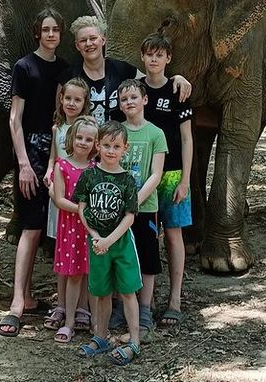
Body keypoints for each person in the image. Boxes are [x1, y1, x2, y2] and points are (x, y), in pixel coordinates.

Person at [0, 9, 69, 337]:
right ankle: (16, 303)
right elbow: (14, 119)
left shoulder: (66, 69)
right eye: (46, 29)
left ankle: (45, 300)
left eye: (56, 30)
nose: (51, 34)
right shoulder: (24, 67)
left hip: (59, 152)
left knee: (55, 228)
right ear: (37, 33)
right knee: (31, 227)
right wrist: (24, 164)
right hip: (31, 152)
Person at [74, 120, 142, 366]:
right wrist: (95, 236)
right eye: (106, 145)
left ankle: (134, 340)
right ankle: (100, 336)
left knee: (127, 291)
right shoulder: (89, 176)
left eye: (116, 146)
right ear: (98, 146)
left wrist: (109, 240)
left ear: (125, 148)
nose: (111, 151)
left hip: (121, 244)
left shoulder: (127, 180)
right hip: (96, 243)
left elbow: (130, 216)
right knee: (101, 292)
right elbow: (82, 208)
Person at [139, 33, 193, 327]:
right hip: (142, 178)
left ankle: (174, 300)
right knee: (144, 237)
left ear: (168, 59)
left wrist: (185, 179)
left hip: (171, 176)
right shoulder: (136, 90)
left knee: (173, 234)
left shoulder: (178, 91)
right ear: (143, 57)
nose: (154, 59)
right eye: (150, 54)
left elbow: (186, 138)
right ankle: (142, 301)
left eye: (160, 55)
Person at [60, 15, 192, 125]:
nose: (89, 44)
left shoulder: (122, 69)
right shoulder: (69, 76)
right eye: (83, 40)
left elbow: (151, 81)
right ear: (77, 46)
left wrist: (176, 79)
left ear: (103, 40)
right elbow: (60, 116)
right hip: (83, 148)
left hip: (116, 148)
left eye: (93, 38)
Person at [116, 78, 167, 343]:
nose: (129, 102)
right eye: (124, 99)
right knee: (121, 256)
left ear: (145, 100)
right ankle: (120, 307)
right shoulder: (115, 133)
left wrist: (135, 200)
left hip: (145, 208)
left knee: (147, 259)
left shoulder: (156, 134)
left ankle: (145, 309)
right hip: (118, 210)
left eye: (133, 97)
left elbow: (156, 174)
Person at [43, 78, 91, 333]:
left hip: (80, 198)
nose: (71, 103)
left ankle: (81, 307)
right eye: (68, 98)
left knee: (82, 254)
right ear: (61, 99)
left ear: (85, 103)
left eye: (77, 99)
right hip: (59, 194)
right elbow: (54, 156)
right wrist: (50, 172)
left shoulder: (89, 129)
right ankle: (61, 305)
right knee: (64, 252)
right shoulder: (57, 128)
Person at [50, 115, 99, 343]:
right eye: (79, 137)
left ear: (95, 144)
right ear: (71, 138)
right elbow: (59, 199)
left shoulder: (95, 168)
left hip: (92, 230)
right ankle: (69, 321)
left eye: (88, 139)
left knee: (94, 275)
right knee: (74, 275)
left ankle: (96, 322)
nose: (83, 142)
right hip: (71, 228)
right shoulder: (62, 166)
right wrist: (82, 210)